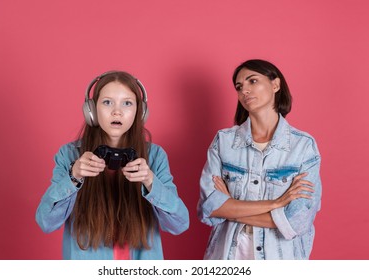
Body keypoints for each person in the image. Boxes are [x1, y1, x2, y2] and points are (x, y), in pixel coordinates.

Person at [36, 71, 189, 259]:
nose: (117, 111)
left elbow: (179, 224)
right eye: (107, 102)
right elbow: (46, 222)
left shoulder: (154, 156)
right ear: (91, 110)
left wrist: (150, 181)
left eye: (127, 103)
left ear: (139, 112)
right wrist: (73, 177)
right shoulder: (70, 155)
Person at [197, 59, 321, 260]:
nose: (244, 90)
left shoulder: (303, 146)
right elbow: (209, 207)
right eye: (239, 87)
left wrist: (230, 208)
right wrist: (276, 203)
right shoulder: (224, 141)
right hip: (228, 254)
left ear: (275, 84)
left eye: (252, 81)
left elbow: (297, 221)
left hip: (281, 256)